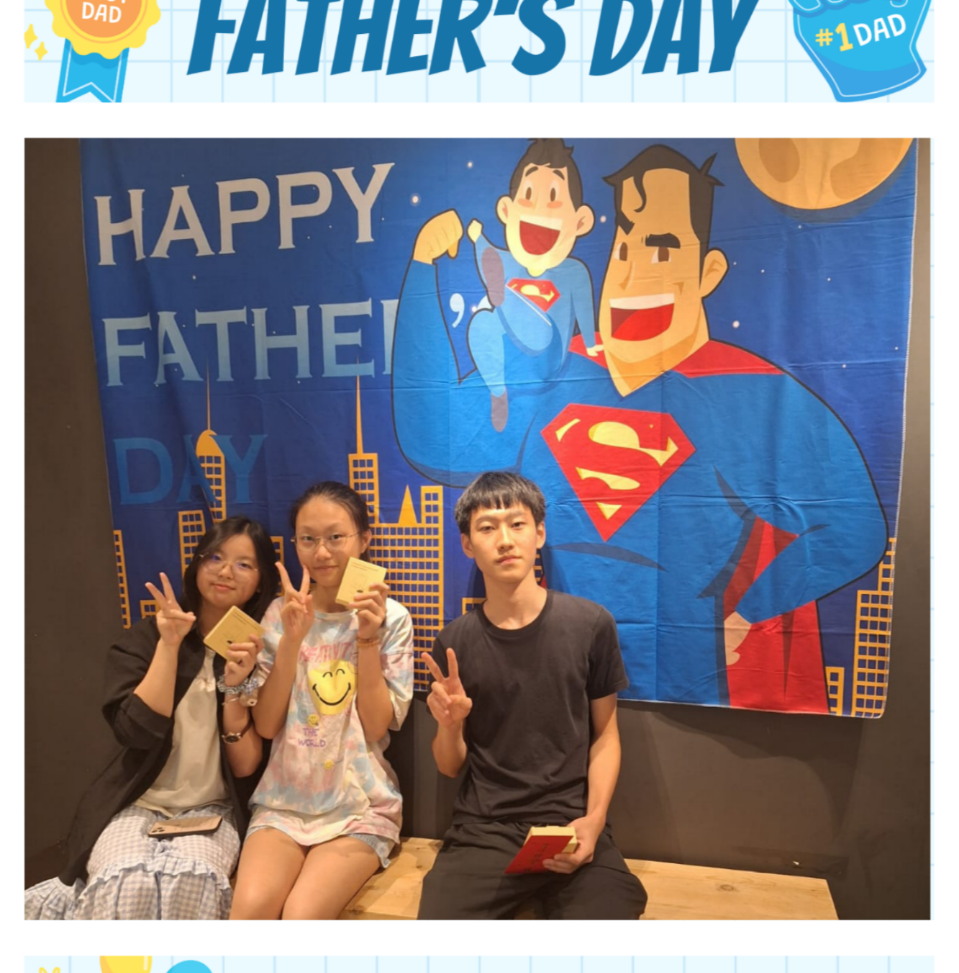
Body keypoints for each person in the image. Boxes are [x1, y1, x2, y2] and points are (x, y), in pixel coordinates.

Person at [392, 143, 888, 711]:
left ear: (708, 272)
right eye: (626, 247)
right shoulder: (557, 373)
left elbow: (851, 526)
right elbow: (434, 432)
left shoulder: (751, 391)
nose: (635, 272)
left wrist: (754, 608)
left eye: (663, 247)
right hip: (559, 684)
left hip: (692, 690)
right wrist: (423, 272)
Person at [417, 471, 646, 921]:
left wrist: (594, 820)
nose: (504, 540)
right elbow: (448, 766)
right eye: (487, 528)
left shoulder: (590, 625)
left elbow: (606, 736)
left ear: (539, 533)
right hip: (484, 831)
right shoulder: (453, 643)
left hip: (572, 824)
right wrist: (450, 725)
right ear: (467, 545)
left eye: (517, 524)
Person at [25, 516, 279, 921]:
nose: (226, 572)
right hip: (137, 804)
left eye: (244, 564)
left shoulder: (260, 652)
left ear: (261, 582)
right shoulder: (144, 640)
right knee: (126, 881)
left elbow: (246, 766)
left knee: (192, 883)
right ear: (197, 564)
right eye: (215, 557)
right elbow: (137, 733)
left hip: (212, 810)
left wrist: (235, 687)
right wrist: (169, 645)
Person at [229, 481, 413, 920]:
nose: (322, 552)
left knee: (301, 917)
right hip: (283, 802)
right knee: (249, 913)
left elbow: (375, 727)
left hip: (361, 806)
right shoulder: (279, 615)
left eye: (335, 537)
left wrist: (367, 638)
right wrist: (292, 640)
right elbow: (267, 726)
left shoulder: (391, 618)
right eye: (308, 539)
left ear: (364, 539)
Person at [463, 138, 597, 431]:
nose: (539, 207)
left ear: (580, 222)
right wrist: (478, 238)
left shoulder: (573, 271)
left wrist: (590, 343)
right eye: (528, 194)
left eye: (553, 195)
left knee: (508, 299)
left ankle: (504, 298)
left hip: (550, 348)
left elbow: (585, 306)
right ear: (506, 210)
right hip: (509, 347)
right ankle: (498, 392)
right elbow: (488, 255)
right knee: (482, 323)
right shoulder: (505, 261)